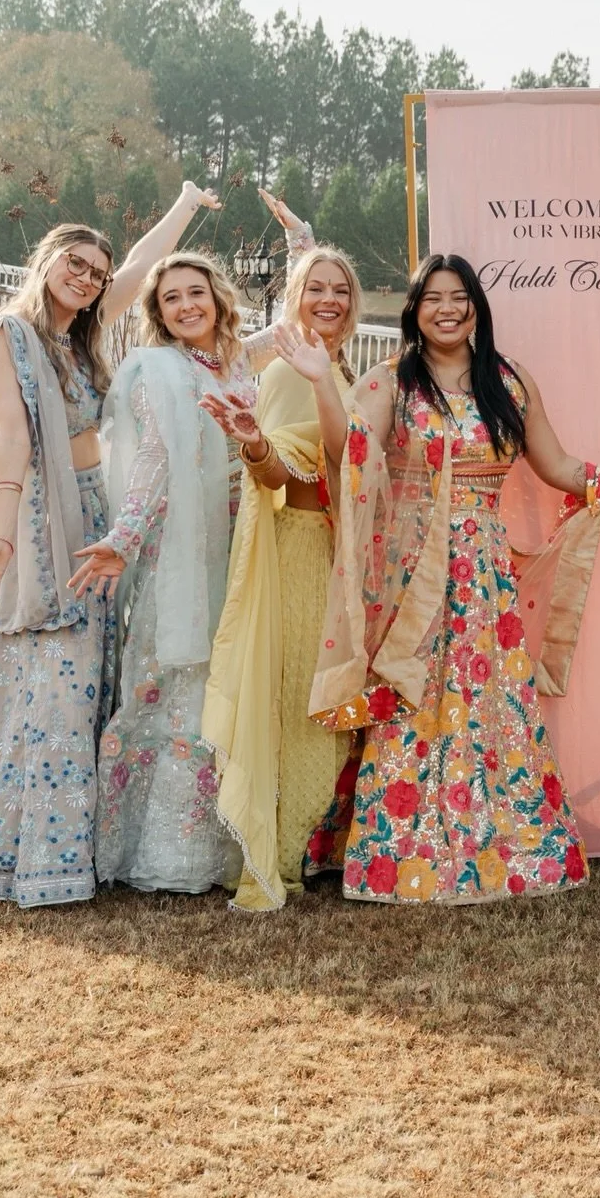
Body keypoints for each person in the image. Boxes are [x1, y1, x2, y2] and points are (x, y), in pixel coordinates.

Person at [287, 254, 600, 905]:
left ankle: (496, 847)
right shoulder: (392, 381)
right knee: (413, 701)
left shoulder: (508, 380)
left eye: (459, 297)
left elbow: (555, 464)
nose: (447, 309)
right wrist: (320, 385)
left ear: (476, 306)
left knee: (490, 706)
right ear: (415, 310)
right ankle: (405, 850)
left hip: (483, 577)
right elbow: (349, 455)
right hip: (411, 572)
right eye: (432, 299)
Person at [0, 182, 224, 906]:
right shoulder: (9, 335)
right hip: (35, 520)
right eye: (75, 263)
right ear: (46, 261)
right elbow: (14, 436)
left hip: (94, 512)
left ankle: (64, 850)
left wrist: (184, 204)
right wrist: (0, 536)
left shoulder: (81, 336)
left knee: (84, 677)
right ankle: (16, 857)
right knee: (46, 677)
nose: (87, 278)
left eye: (97, 271)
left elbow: (144, 266)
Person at [70, 230, 305, 895]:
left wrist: (300, 241)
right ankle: (166, 854)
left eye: (195, 292)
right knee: (175, 691)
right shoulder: (155, 371)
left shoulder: (235, 362)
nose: (184, 304)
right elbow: (152, 459)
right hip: (179, 557)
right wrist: (125, 535)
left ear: (216, 298)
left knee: (226, 686)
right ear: (159, 312)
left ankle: (231, 844)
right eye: (170, 297)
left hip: (241, 548)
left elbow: (293, 320)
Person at [200, 240, 362, 910]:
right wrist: (258, 445)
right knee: (301, 696)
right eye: (315, 287)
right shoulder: (291, 372)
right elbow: (288, 474)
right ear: (295, 297)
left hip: (331, 552)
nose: (329, 299)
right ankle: (287, 848)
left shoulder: (331, 367)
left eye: (341, 290)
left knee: (318, 696)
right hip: (299, 548)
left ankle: (312, 842)